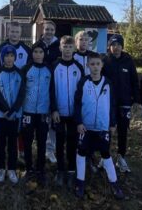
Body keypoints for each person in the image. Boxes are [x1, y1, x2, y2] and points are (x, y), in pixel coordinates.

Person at [74, 52, 124, 200]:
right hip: (86, 127)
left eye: (98, 64)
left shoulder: (108, 83)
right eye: (92, 64)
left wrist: (112, 123)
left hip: (102, 127)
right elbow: (77, 104)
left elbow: (112, 104)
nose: (95, 67)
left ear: (102, 65)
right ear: (88, 66)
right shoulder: (83, 82)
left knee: (106, 154)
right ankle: (80, 182)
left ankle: (114, 183)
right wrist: (79, 122)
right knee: (81, 152)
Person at [51, 35, 85, 189]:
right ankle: (60, 170)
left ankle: (71, 170)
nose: (67, 49)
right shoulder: (54, 66)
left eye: (70, 47)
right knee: (59, 142)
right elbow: (51, 90)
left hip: (74, 114)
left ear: (74, 49)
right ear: (60, 48)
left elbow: (81, 92)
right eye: (64, 46)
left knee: (72, 142)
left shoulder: (78, 67)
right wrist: (54, 109)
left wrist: (79, 113)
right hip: (59, 113)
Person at [102, 34, 139, 173]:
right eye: (113, 45)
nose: (116, 47)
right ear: (109, 47)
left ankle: (121, 157)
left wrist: (137, 100)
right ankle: (105, 157)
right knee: (107, 130)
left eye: (118, 45)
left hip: (124, 102)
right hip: (108, 102)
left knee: (123, 131)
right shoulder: (105, 61)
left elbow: (134, 81)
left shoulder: (128, 61)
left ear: (122, 46)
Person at [0, 44, 25, 184]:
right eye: (6, 55)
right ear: (2, 57)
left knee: (12, 143)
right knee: (0, 142)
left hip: (15, 115)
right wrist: (5, 109)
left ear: (15, 57)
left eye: (12, 55)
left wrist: (13, 110)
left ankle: (11, 168)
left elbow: (21, 94)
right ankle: (1, 168)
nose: (9, 58)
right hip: (1, 115)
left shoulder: (20, 73)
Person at [21, 41, 52, 185]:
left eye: (41, 52)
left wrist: (52, 108)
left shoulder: (49, 69)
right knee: (27, 141)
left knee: (41, 141)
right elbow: (21, 90)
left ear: (44, 54)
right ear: (31, 53)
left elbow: (53, 90)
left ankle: (40, 170)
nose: (38, 55)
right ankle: (28, 168)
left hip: (43, 112)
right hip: (27, 111)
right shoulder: (26, 69)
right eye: (35, 52)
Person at [38, 20, 60, 164]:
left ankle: (50, 150)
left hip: (55, 85)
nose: (49, 32)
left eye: (51, 30)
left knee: (53, 119)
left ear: (54, 31)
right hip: (40, 86)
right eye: (47, 29)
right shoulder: (37, 45)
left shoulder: (59, 47)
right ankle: (41, 147)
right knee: (42, 120)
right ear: (43, 30)